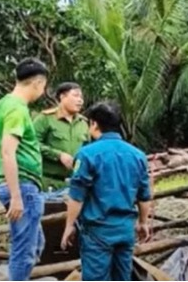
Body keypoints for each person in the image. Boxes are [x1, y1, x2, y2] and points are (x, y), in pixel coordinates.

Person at [61, 102, 152, 281]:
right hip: (125, 230)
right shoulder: (138, 155)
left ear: (94, 124)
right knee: (122, 277)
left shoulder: (87, 154)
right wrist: (143, 222)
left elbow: (77, 196)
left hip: (98, 231)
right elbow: (144, 196)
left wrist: (69, 225)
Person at [0, 58, 48, 281]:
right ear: (38, 84)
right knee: (25, 250)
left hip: (13, 184)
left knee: (37, 243)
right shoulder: (17, 110)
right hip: (23, 185)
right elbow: (7, 151)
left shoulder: (2, 104)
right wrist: (16, 195)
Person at [34, 82, 88, 191]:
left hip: (75, 184)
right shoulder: (45, 119)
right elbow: (31, 143)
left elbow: (88, 148)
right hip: (49, 182)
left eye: (81, 97)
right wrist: (58, 155)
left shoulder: (83, 123)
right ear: (62, 97)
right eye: (76, 95)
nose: (80, 100)